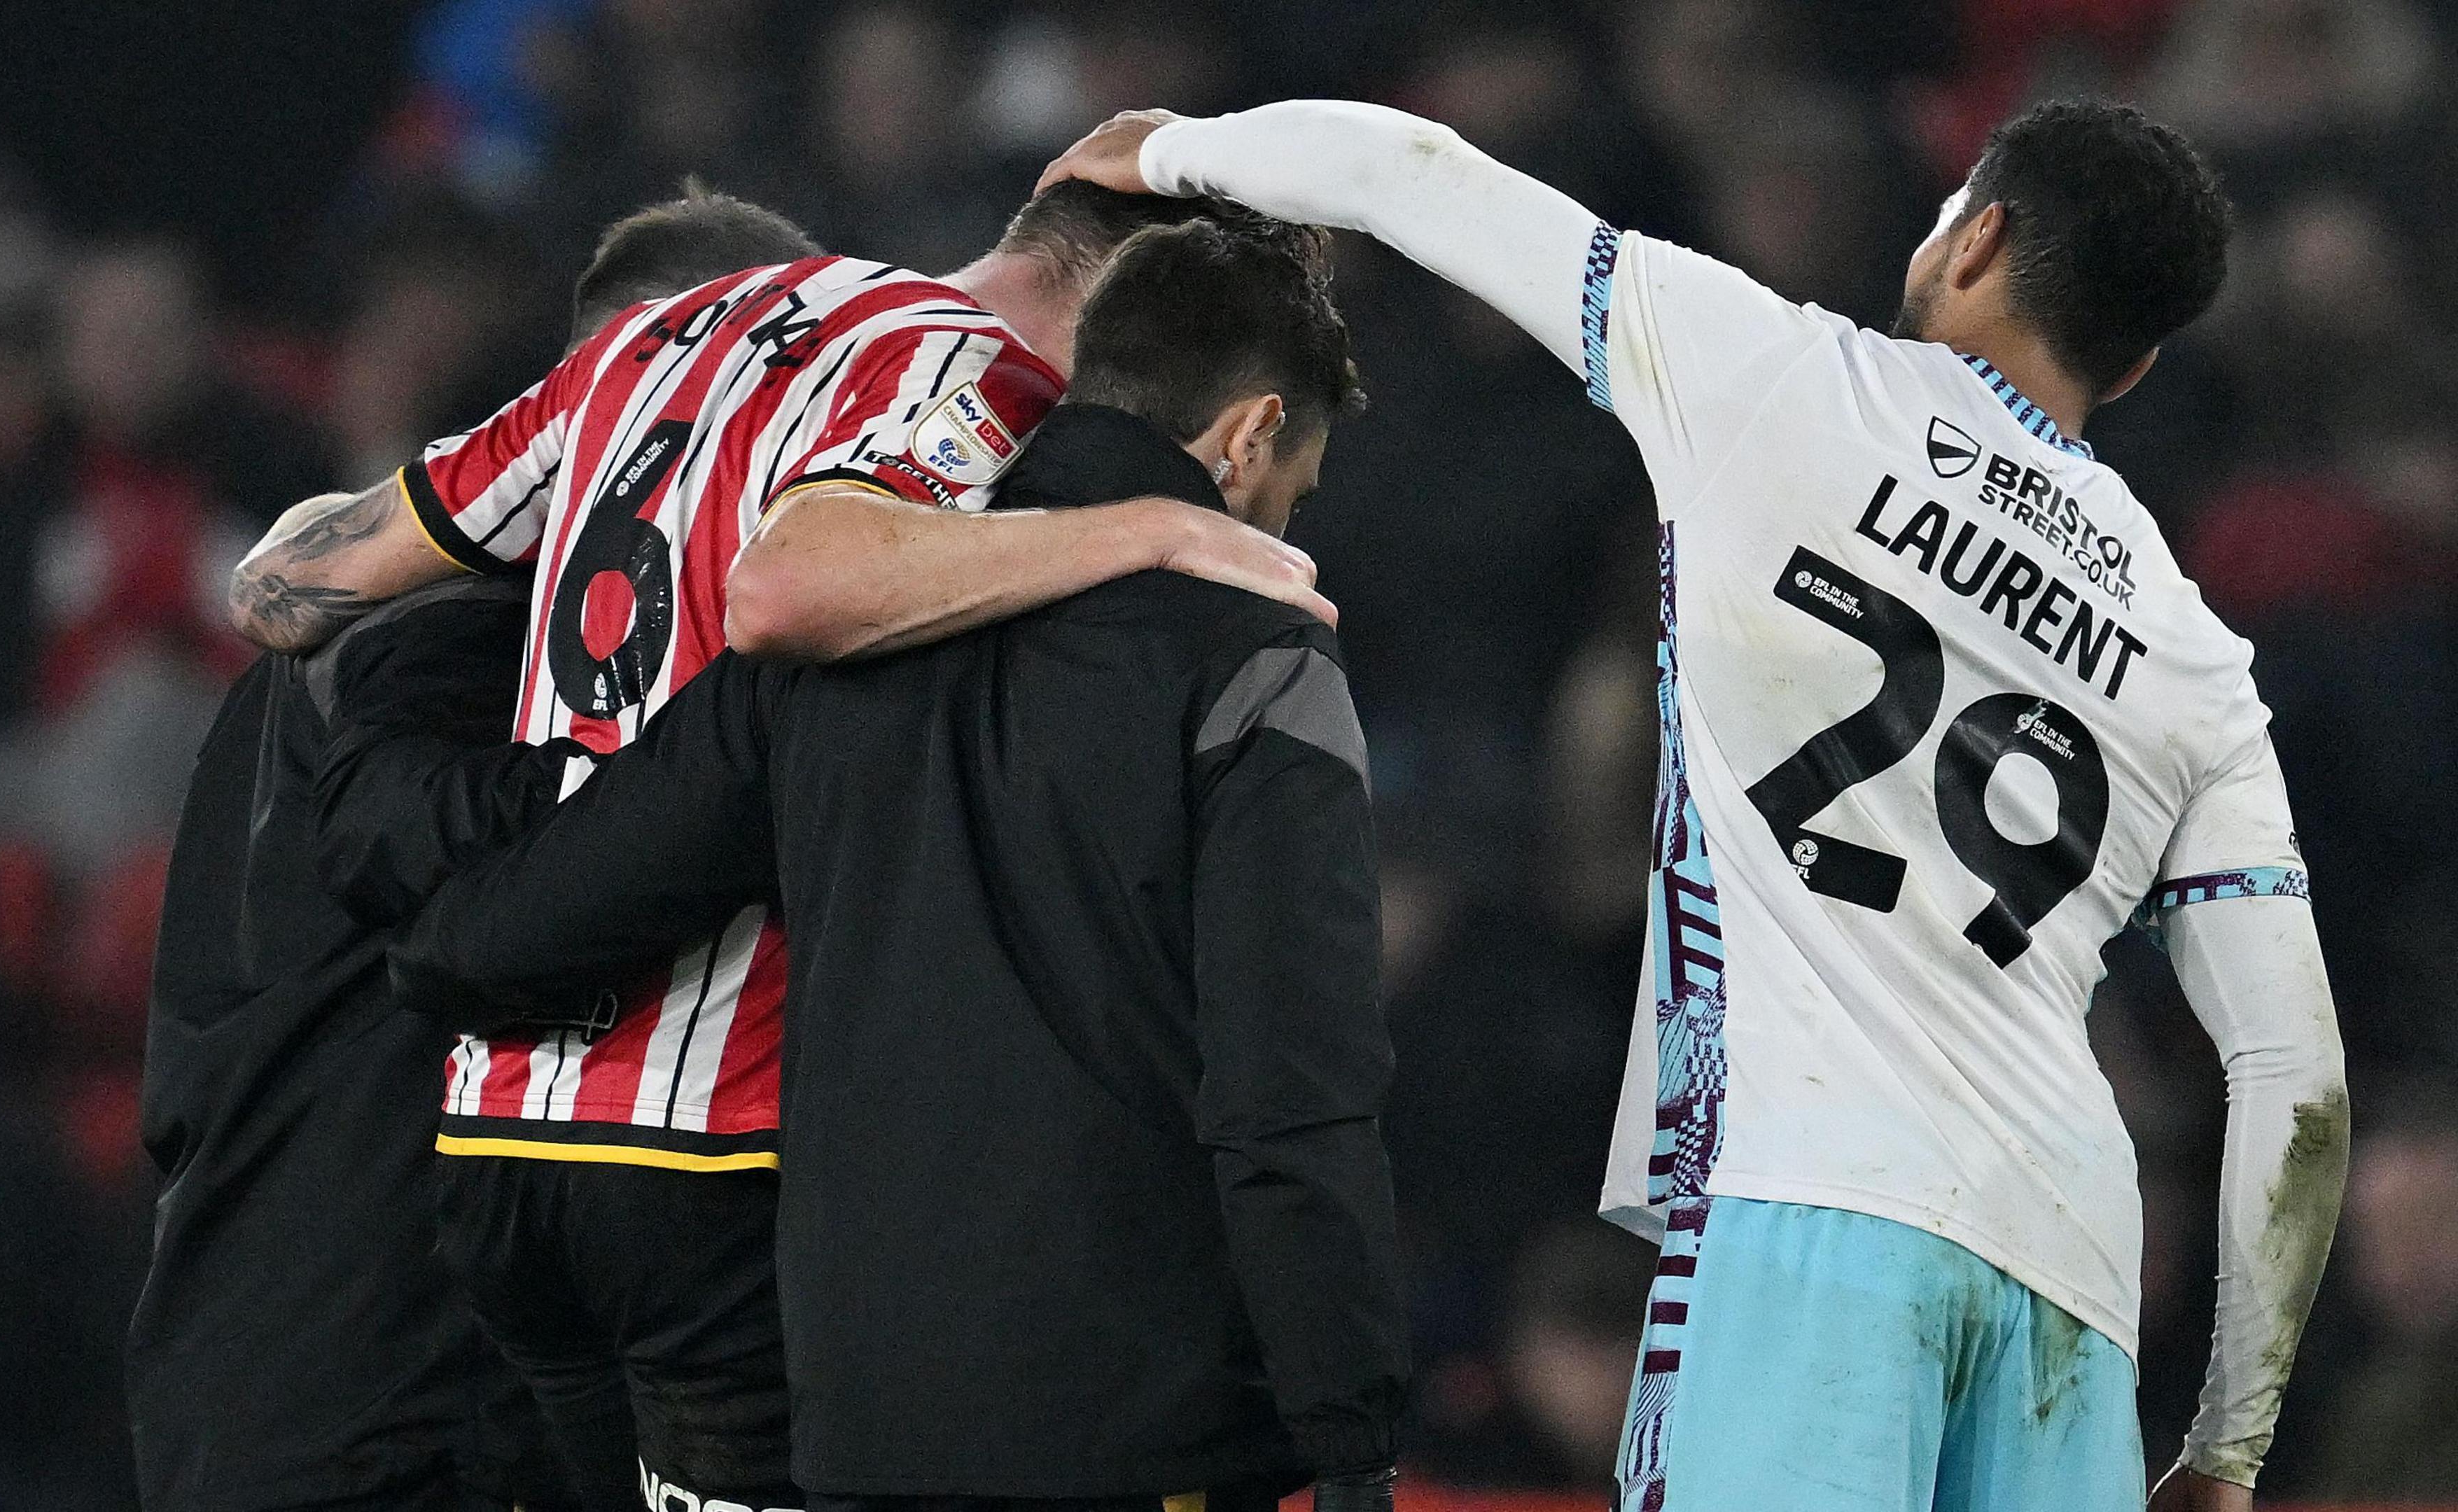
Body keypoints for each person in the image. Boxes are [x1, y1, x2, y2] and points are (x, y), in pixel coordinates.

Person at [1045, 97, 2351, 1512]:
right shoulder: (2193, 654)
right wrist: (2226, 1447)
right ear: (2143, 360)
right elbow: (2301, 1082)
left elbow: (1411, 176)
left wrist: (1166, 150)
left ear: (1976, 236)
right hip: (2071, 1282)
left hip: (1812, 1211)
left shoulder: (1768, 373)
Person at [222, 179, 1328, 1512]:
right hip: (712, 1144)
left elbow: (287, 584)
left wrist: (557, 760)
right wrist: (1151, 527)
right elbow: (791, 587)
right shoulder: (989, 379)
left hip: (503, 1143)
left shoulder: (658, 339)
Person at [130, 190, 815, 1512]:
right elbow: (427, 863)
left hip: (305, 1368)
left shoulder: (436, 594)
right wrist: (718, 768)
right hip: (388, 1393)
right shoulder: (469, 617)